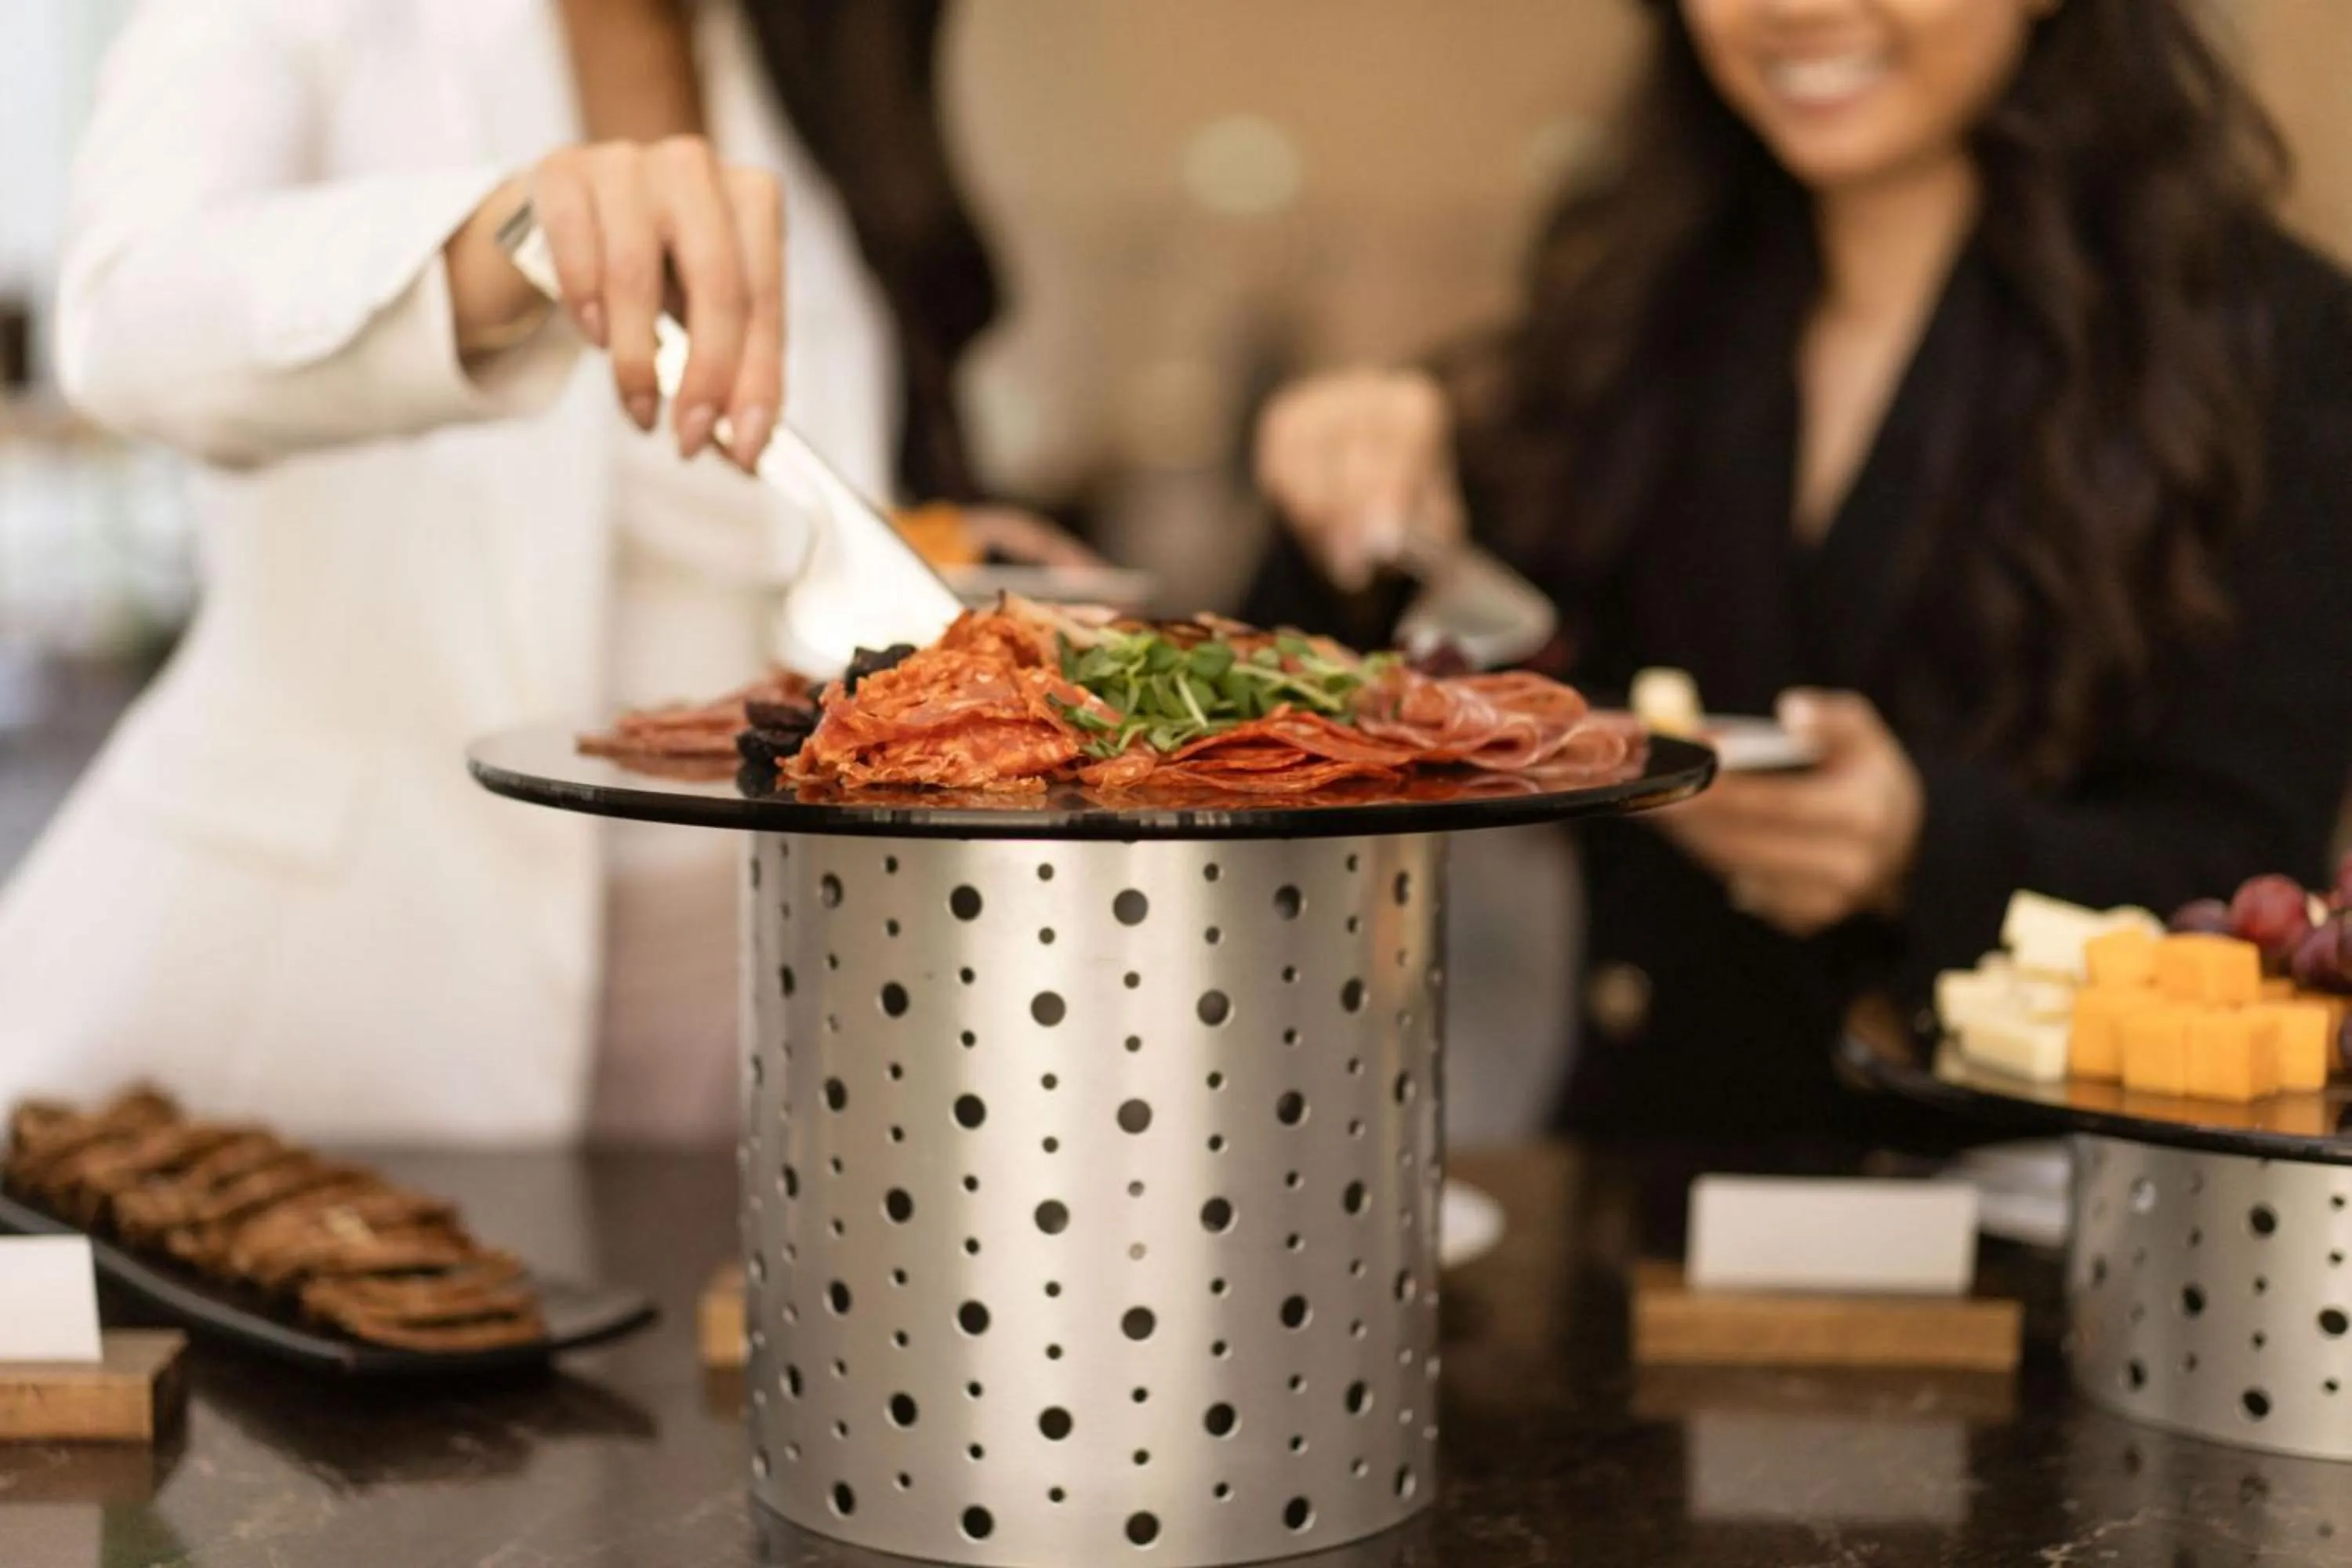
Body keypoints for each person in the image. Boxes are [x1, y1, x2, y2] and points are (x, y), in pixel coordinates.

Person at [1251, 0, 2352, 1141]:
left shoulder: (2277, 348)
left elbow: (2252, 878)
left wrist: (1925, 847)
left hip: (2044, 1229)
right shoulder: (1643, 304)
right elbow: (1365, 681)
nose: (1792, 7)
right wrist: (1351, 495)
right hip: (1644, 1189)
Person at [0, 0, 1015, 1145]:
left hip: (739, 1006)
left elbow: (725, 498)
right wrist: (492, 241)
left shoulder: (784, 59)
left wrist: (947, 556)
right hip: (328, 992)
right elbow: (126, 324)